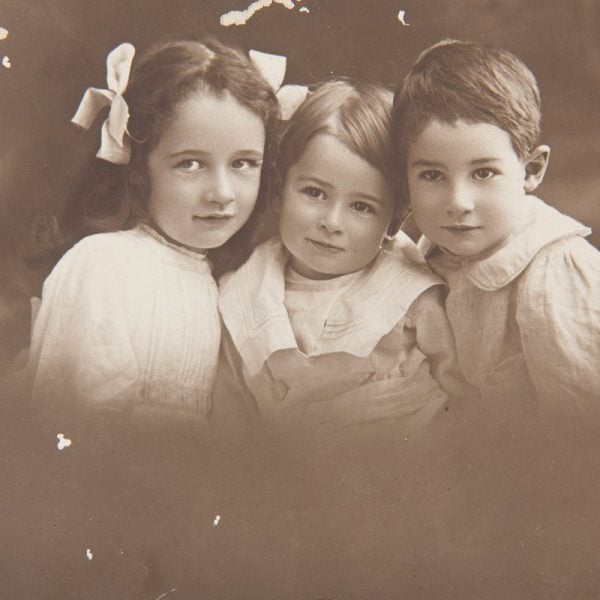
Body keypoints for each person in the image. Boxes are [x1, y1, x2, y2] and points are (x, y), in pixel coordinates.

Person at [12, 38, 280, 437]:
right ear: (137, 167)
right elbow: (69, 425)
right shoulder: (104, 263)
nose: (222, 192)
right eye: (190, 164)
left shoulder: (218, 278)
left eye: (243, 163)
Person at [218, 79, 472, 440]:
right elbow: (230, 409)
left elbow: (460, 395)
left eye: (361, 207)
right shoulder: (243, 290)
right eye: (314, 193)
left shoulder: (409, 294)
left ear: (395, 220)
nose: (331, 223)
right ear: (279, 189)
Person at [392, 39, 600, 413]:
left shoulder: (553, 272)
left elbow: (581, 428)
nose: (458, 202)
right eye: (432, 175)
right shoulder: (428, 253)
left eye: (484, 173)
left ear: (531, 170)